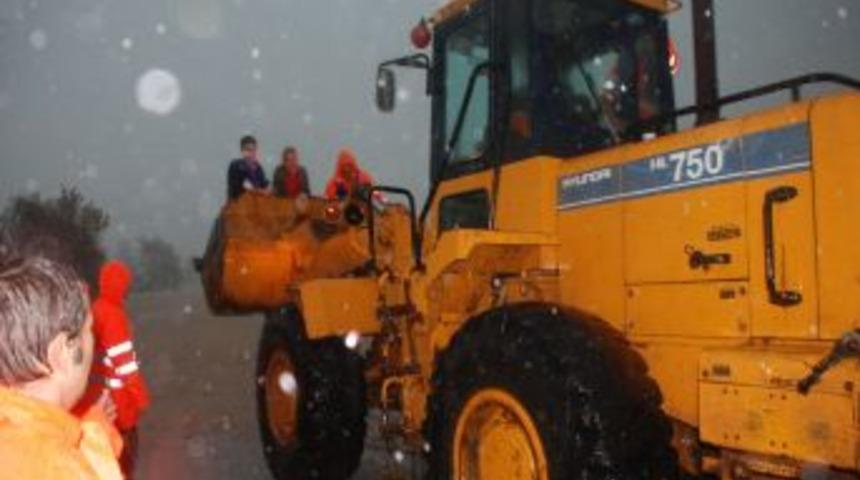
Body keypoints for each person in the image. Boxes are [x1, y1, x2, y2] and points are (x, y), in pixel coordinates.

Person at [0, 246, 124, 480]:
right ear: (61, 354)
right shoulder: (55, 467)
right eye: (89, 331)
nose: (94, 342)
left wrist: (92, 430)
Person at [75, 260, 150, 479]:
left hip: (97, 400)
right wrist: (140, 396)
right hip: (118, 404)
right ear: (122, 285)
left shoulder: (96, 308)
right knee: (122, 460)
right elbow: (124, 362)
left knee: (100, 457)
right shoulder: (113, 314)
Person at [227, 135, 270, 200]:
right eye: (248, 150)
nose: (252, 153)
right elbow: (246, 186)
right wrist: (261, 191)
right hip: (239, 203)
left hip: (257, 203)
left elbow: (264, 184)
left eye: (254, 150)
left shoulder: (258, 167)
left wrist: (268, 189)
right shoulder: (236, 165)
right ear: (242, 151)